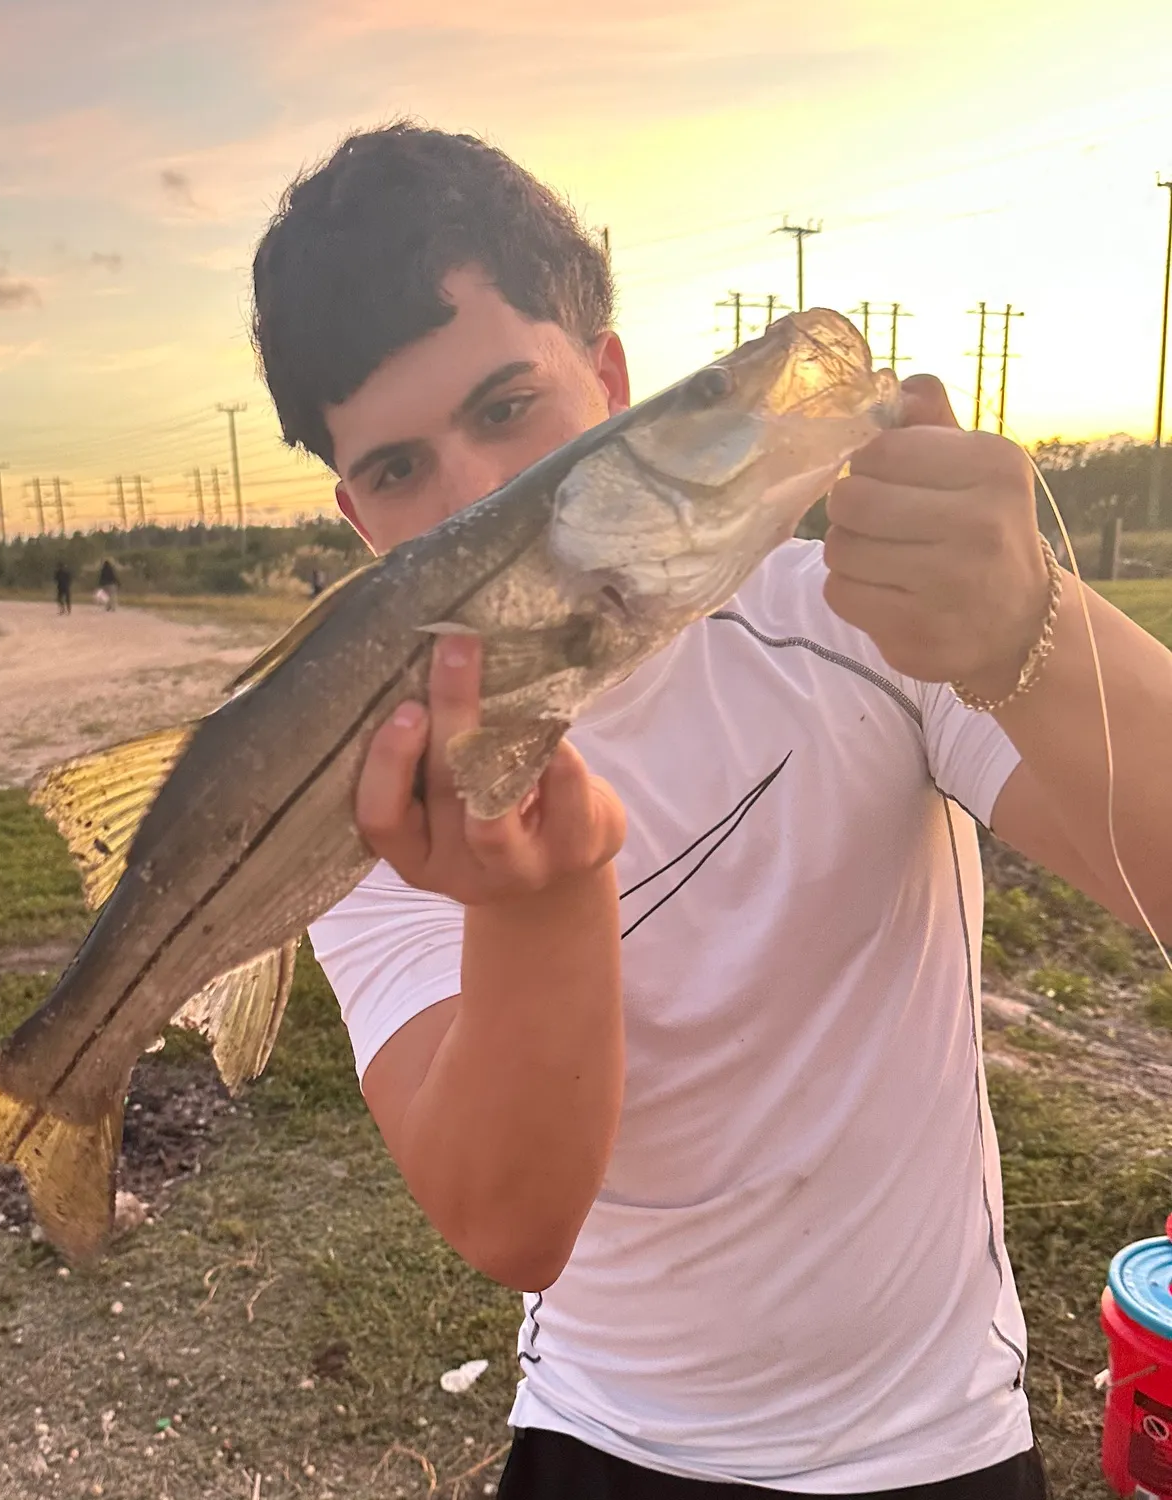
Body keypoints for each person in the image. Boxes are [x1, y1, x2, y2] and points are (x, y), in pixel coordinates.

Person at [250, 124, 1172, 1498]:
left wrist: (1027, 626)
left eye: (510, 409)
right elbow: (511, 1222)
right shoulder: (367, 789)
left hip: (936, 1440)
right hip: (604, 1434)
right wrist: (540, 902)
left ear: (615, 384)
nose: (480, 493)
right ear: (356, 520)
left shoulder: (860, 624)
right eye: (397, 471)